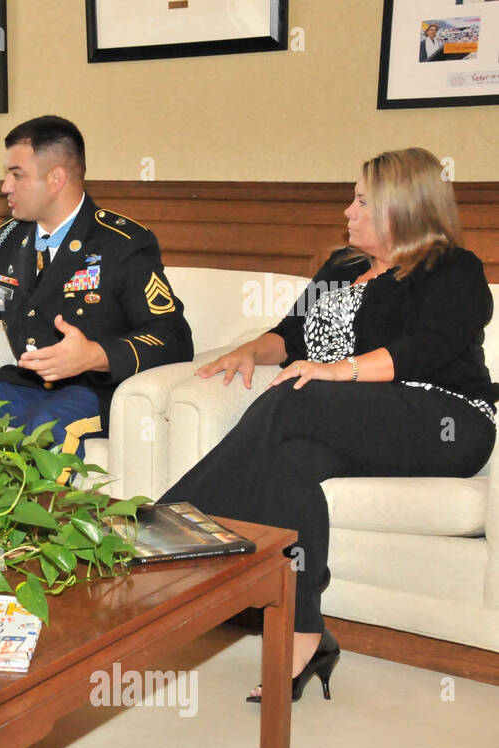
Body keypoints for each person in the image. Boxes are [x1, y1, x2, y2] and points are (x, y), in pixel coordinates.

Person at [160, 147, 497, 702]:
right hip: (353, 421)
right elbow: (288, 337)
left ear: (403, 208)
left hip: (444, 420)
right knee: (289, 465)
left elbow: (425, 350)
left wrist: (336, 371)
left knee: (298, 394)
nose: (348, 210)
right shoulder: (340, 267)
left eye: (363, 200)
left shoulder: (451, 268)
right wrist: (248, 350)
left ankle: (168, 527)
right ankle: (305, 633)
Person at [0, 115, 193, 455]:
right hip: (25, 383)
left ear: (56, 178)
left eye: (16, 175)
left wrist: (95, 356)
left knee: (44, 430)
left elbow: (173, 338)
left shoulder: (122, 243)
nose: (5, 186)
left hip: (97, 391)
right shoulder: (9, 238)